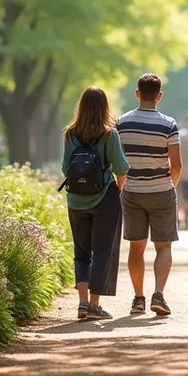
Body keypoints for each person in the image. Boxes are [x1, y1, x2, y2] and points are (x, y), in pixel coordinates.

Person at [115, 74, 182, 317]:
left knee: (136, 247)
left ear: (137, 93)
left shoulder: (121, 123)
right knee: (163, 247)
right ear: (159, 96)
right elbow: (177, 165)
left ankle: (138, 298)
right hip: (162, 190)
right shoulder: (169, 124)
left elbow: (117, 161)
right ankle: (159, 294)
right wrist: (170, 186)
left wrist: (121, 185)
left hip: (132, 191)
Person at [61, 87, 130, 322]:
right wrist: (116, 188)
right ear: (104, 107)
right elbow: (121, 169)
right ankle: (94, 304)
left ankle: (81, 302)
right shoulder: (109, 134)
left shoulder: (70, 134)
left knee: (81, 253)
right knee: (102, 251)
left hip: (76, 200)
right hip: (104, 198)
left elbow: (65, 168)